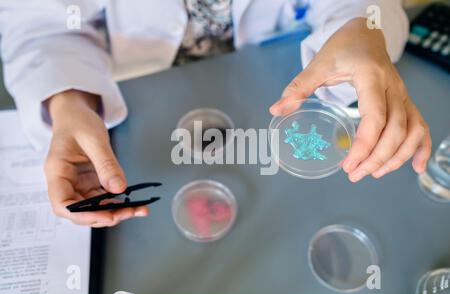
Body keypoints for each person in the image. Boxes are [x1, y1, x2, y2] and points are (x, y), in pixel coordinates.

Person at [0, 0, 431, 228]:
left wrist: (362, 28)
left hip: (277, 84)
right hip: (143, 103)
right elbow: (43, 24)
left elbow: (363, 4)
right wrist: (68, 101)